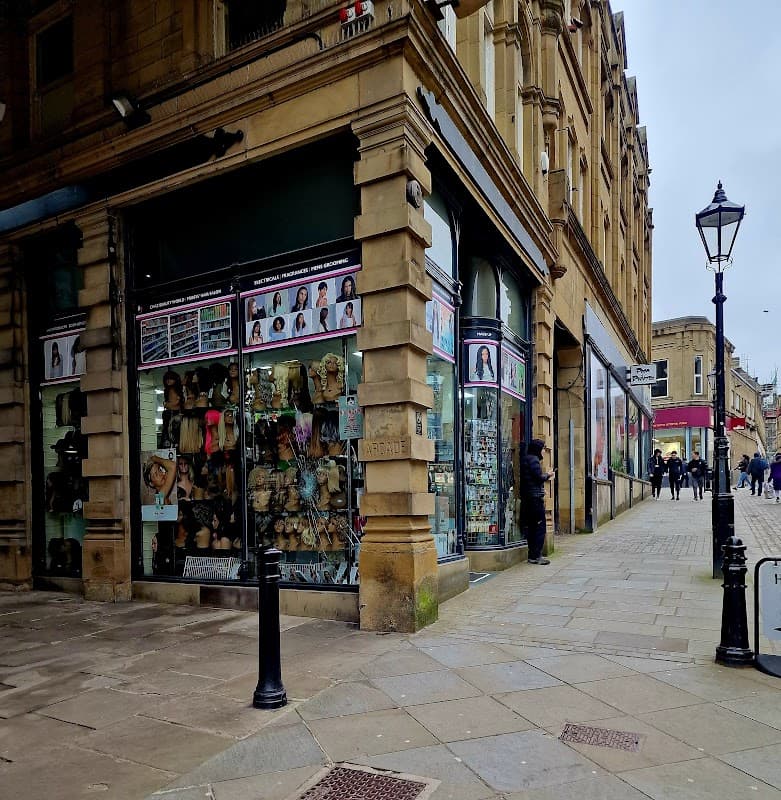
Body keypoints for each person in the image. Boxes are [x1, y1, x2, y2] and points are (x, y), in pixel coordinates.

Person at [518, 439, 554, 565]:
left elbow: (530, 481)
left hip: (529, 497)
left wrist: (540, 491)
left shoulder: (525, 459)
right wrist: (548, 475)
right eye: (543, 448)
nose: (544, 451)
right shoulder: (533, 460)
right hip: (534, 500)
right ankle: (536, 555)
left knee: (532, 527)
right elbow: (538, 478)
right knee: (539, 527)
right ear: (538, 449)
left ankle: (532, 555)